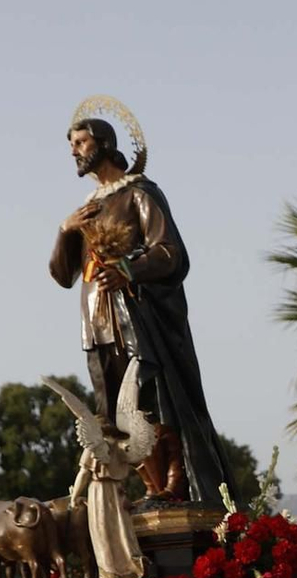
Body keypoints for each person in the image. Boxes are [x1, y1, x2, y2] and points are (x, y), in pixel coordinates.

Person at [49, 107, 227, 507]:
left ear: (105, 144)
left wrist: (128, 269)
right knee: (113, 408)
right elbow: (62, 274)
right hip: (97, 322)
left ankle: (174, 486)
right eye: (72, 145)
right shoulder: (86, 210)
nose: (74, 151)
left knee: (150, 396)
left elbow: (171, 253)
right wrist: (65, 230)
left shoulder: (139, 193)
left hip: (135, 317)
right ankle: (150, 484)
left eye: (81, 142)